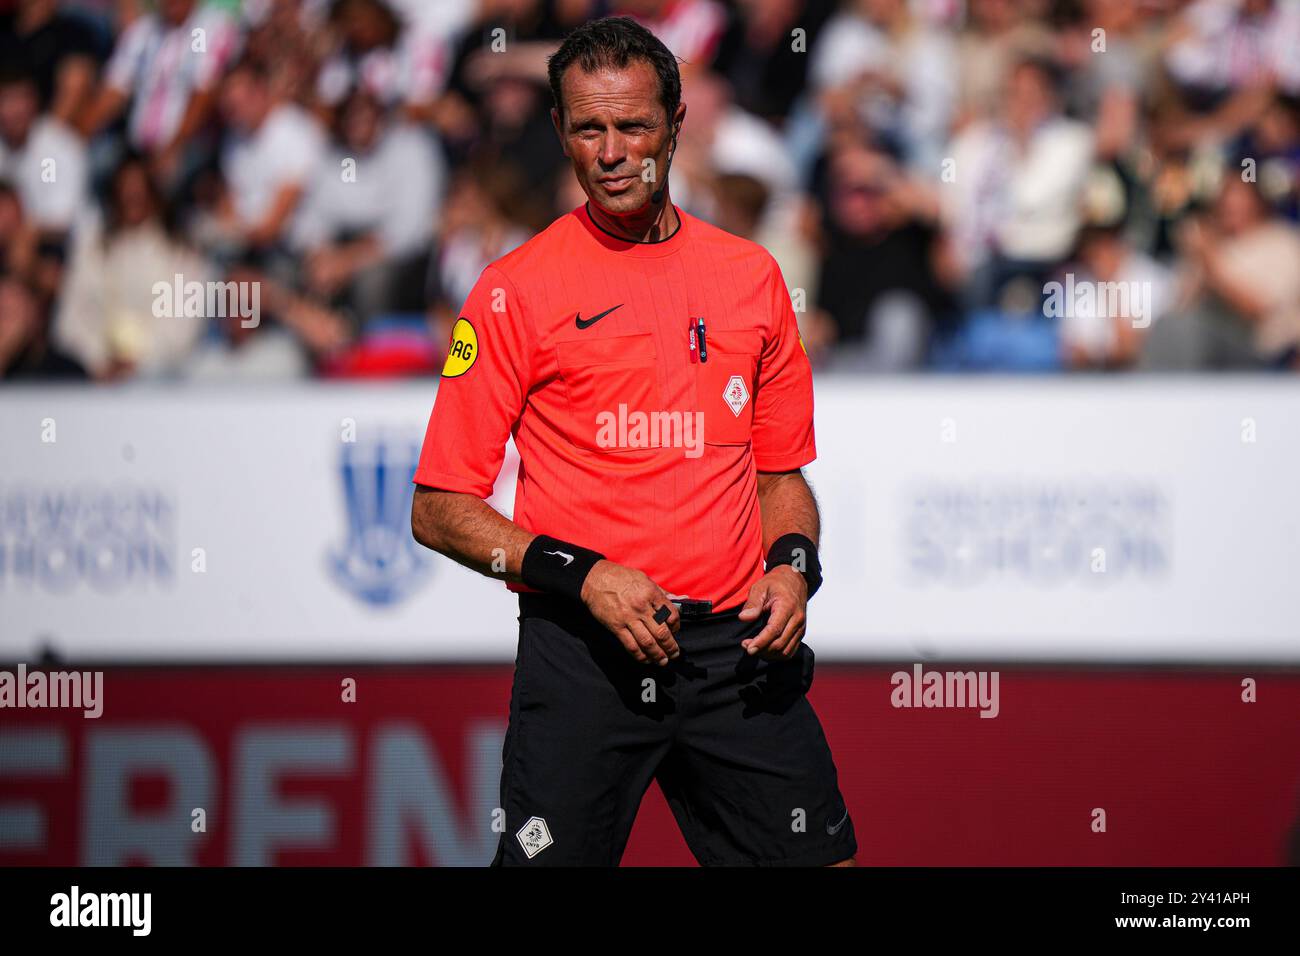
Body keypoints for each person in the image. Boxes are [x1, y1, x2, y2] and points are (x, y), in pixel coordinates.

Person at [410, 16, 856, 867]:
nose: (612, 152)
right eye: (588, 128)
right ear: (560, 133)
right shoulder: (513, 291)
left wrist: (794, 567)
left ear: (677, 124)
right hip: (582, 658)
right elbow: (438, 510)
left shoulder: (751, 277)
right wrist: (586, 578)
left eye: (634, 126)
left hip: (736, 653)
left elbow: (780, 477)